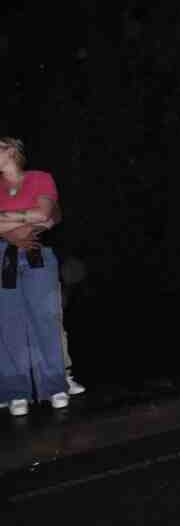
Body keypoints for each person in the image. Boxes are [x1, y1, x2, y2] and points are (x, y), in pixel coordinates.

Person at [0, 137, 68, 416]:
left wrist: (6, 218)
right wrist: (18, 227)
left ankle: (55, 385)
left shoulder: (39, 178)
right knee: (8, 323)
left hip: (37, 253)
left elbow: (45, 214)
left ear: (11, 150)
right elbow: (35, 218)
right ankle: (16, 391)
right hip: (3, 255)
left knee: (45, 318)